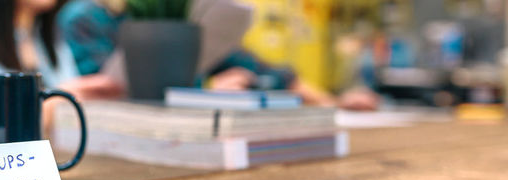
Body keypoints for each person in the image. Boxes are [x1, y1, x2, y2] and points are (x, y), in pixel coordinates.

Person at [57, 0, 336, 106]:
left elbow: (262, 70)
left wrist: (333, 102)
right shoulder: (87, 18)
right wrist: (207, 88)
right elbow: (100, 93)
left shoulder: (187, 11)